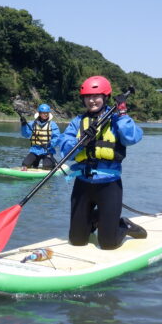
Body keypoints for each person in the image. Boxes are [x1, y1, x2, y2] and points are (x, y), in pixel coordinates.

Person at [60, 75, 145, 250]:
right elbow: (64, 149)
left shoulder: (116, 120)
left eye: (96, 96)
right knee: (77, 241)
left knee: (108, 244)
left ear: (105, 97)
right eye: (88, 97)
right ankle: (97, 219)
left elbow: (132, 138)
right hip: (82, 184)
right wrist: (81, 142)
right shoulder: (78, 122)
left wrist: (122, 113)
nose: (92, 101)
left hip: (109, 185)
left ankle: (122, 225)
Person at [19, 103, 61, 170]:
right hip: (35, 150)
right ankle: (35, 163)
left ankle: (53, 164)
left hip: (47, 150)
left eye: (47, 113)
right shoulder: (32, 124)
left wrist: (50, 144)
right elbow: (25, 135)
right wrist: (23, 125)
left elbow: (57, 138)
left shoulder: (53, 124)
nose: (45, 114)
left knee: (47, 166)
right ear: (39, 113)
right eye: (43, 113)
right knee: (25, 164)